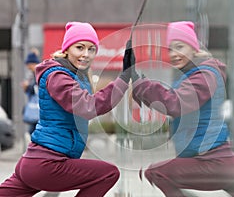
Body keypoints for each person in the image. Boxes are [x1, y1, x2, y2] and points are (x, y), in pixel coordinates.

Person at [130, 21, 234, 197]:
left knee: (157, 173)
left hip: (212, 160)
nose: (174, 54)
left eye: (180, 47)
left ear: (193, 48)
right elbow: (168, 99)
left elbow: (175, 103)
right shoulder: (192, 75)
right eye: (170, 49)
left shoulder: (204, 75)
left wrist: (144, 87)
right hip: (217, 160)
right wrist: (139, 88)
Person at [0, 21, 134, 196]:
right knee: (107, 174)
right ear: (67, 49)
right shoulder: (58, 76)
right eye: (80, 47)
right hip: (47, 163)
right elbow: (88, 106)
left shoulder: (72, 76)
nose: (86, 54)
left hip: (36, 161)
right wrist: (124, 79)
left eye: (91, 49)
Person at [21, 48, 40, 135]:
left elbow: (35, 90)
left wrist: (28, 87)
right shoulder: (33, 74)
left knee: (33, 132)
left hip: (39, 109)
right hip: (37, 109)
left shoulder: (38, 74)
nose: (28, 67)